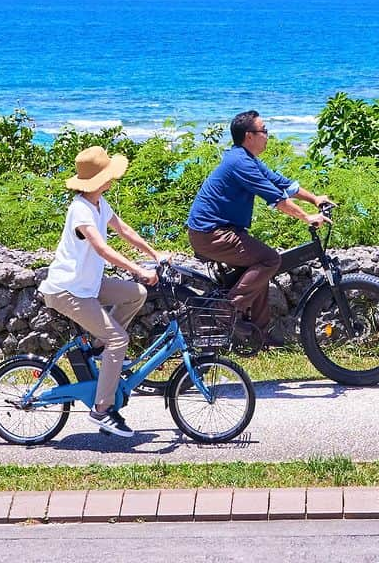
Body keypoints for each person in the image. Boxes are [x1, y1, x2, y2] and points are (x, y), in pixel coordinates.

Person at [39, 145, 166, 439]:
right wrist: (139, 270)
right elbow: (102, 247)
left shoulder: (99, 203)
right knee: (119, 339)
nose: (112, 179)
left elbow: (124, 230)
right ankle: (102, 409)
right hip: (68, 290)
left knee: (136, 294)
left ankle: (97, 346)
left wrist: (155, 254)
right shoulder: (80, 210)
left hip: (89, 285)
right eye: (108, 174)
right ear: (98, 180)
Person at [186, 110, 330, 338]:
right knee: (270, 259)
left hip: (219, 231)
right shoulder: (240, 163)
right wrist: (307, 217)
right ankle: (226, 309)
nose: (268, 135)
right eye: (264, 131)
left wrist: (314, 199)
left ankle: (257, 336)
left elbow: (281, 183)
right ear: (249, 136)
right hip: (211, 234)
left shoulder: (246, 158)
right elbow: (277, 199)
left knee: (259, 273)